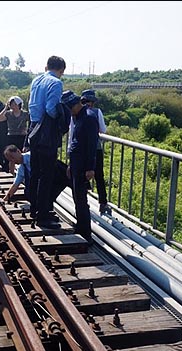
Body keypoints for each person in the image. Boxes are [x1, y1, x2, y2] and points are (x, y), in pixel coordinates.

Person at [25, 55, 67, 229]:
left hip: (33, 129)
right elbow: (51, 109)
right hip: (46, 133)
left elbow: (31, 105)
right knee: (47, 174)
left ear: (46, 66)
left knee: (35, 172)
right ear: (61, 70)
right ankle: (43, 216)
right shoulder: (55, 83)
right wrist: (62, 117)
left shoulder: (36, 80)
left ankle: (34, 208)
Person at [61, 90, 98, 244]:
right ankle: (80, 226)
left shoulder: (89, 118)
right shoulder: (77, 117)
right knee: (77, 197)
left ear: (74, 105)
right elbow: (74, 141)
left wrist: (90, 168)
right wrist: (70, 163)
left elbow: (91, 145)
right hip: (76, 162)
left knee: (82, 199)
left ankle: (86, 233)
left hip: (84, 164)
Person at [2, 145, 69, 223]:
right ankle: (46, 214)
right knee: (35, 194)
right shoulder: (21, 168)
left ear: (18, 151)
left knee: (48, 196)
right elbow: (15, 185)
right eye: (10, 159)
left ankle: (47, 214)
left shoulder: (32, 156)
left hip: (57, 176)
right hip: (45, 180)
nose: (13, 160)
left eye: (12, 157)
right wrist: (5, 199)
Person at [80, 89, 110, 214]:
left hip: (80, 149)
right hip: (95, 148)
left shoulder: (76, 112)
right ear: (92, 102)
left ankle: (82, 203)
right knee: (99, 176)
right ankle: (103, 203)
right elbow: (103, 130)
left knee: (81, 176)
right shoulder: (97, 112)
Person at [0, 95, 29, 171]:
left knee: (22, 155)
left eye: (15, 104)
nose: (13, 106)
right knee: (11, 157)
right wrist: (5, 108)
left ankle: (23, 172)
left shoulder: (25, 114)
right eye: (11, 104)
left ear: (19, 104)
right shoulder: (8, 113)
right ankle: (11, 172)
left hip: (22, 136)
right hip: (11, 136)